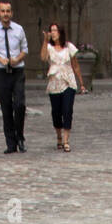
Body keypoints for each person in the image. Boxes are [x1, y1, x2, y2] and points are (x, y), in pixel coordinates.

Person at [0, 0, 28, 154]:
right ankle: (11, 143)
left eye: (8, 11)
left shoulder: (19, 29)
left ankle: (20, 137)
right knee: (6, 108)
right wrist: (0, 59)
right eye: (3, 11)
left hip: (17, 71)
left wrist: (17, 58)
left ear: (12, 13)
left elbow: (25, 49)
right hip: (1, 72)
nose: (6, 14)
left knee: (19, 105)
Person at [40, 22, 87, 151]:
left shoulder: (68, 47)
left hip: (68, 82)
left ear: (60, 32)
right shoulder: (49, 48)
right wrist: (45, 41)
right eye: (51, 30)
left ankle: (66, 140)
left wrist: (81, 83)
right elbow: (43, 58)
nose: (53, 33)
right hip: (55, 83)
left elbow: (75, 65)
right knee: (56, 112)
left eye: (55, 30)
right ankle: (59, 137)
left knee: (67, 110)